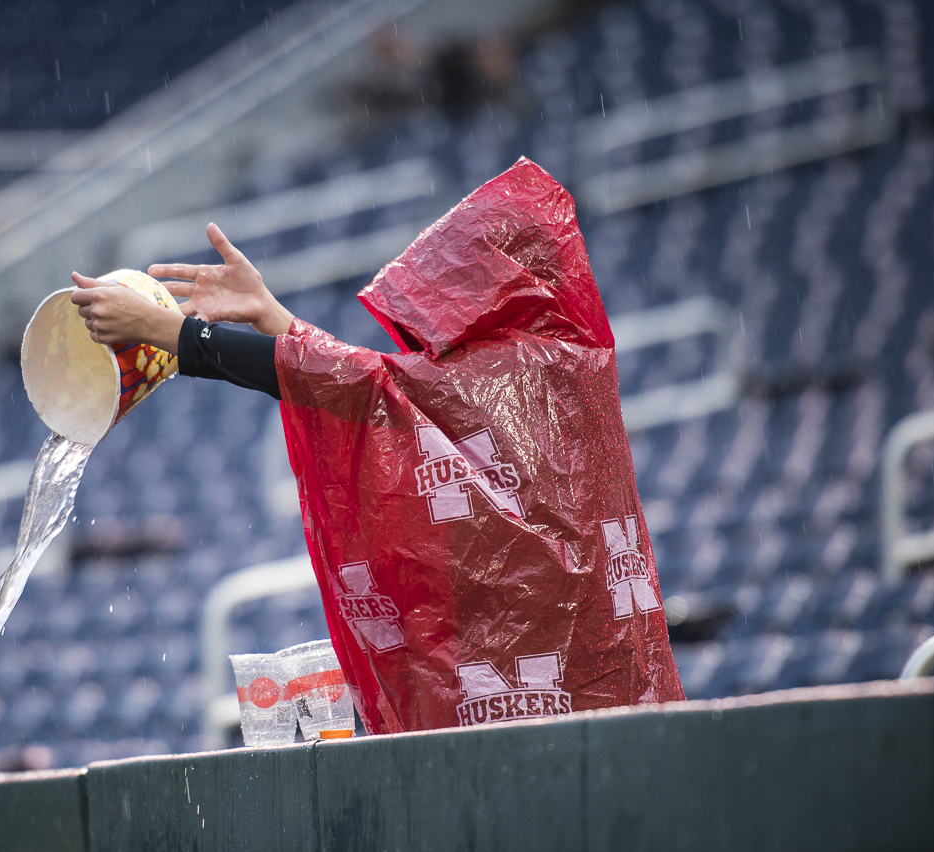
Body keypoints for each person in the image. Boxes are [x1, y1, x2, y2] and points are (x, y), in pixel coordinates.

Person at [70, 158, 684, 734]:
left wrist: (171, 333)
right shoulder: (571, 361)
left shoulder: (533, 365)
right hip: (598, 701)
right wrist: (274, 319)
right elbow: (376, 385)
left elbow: (370, 387)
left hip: (565, 700)